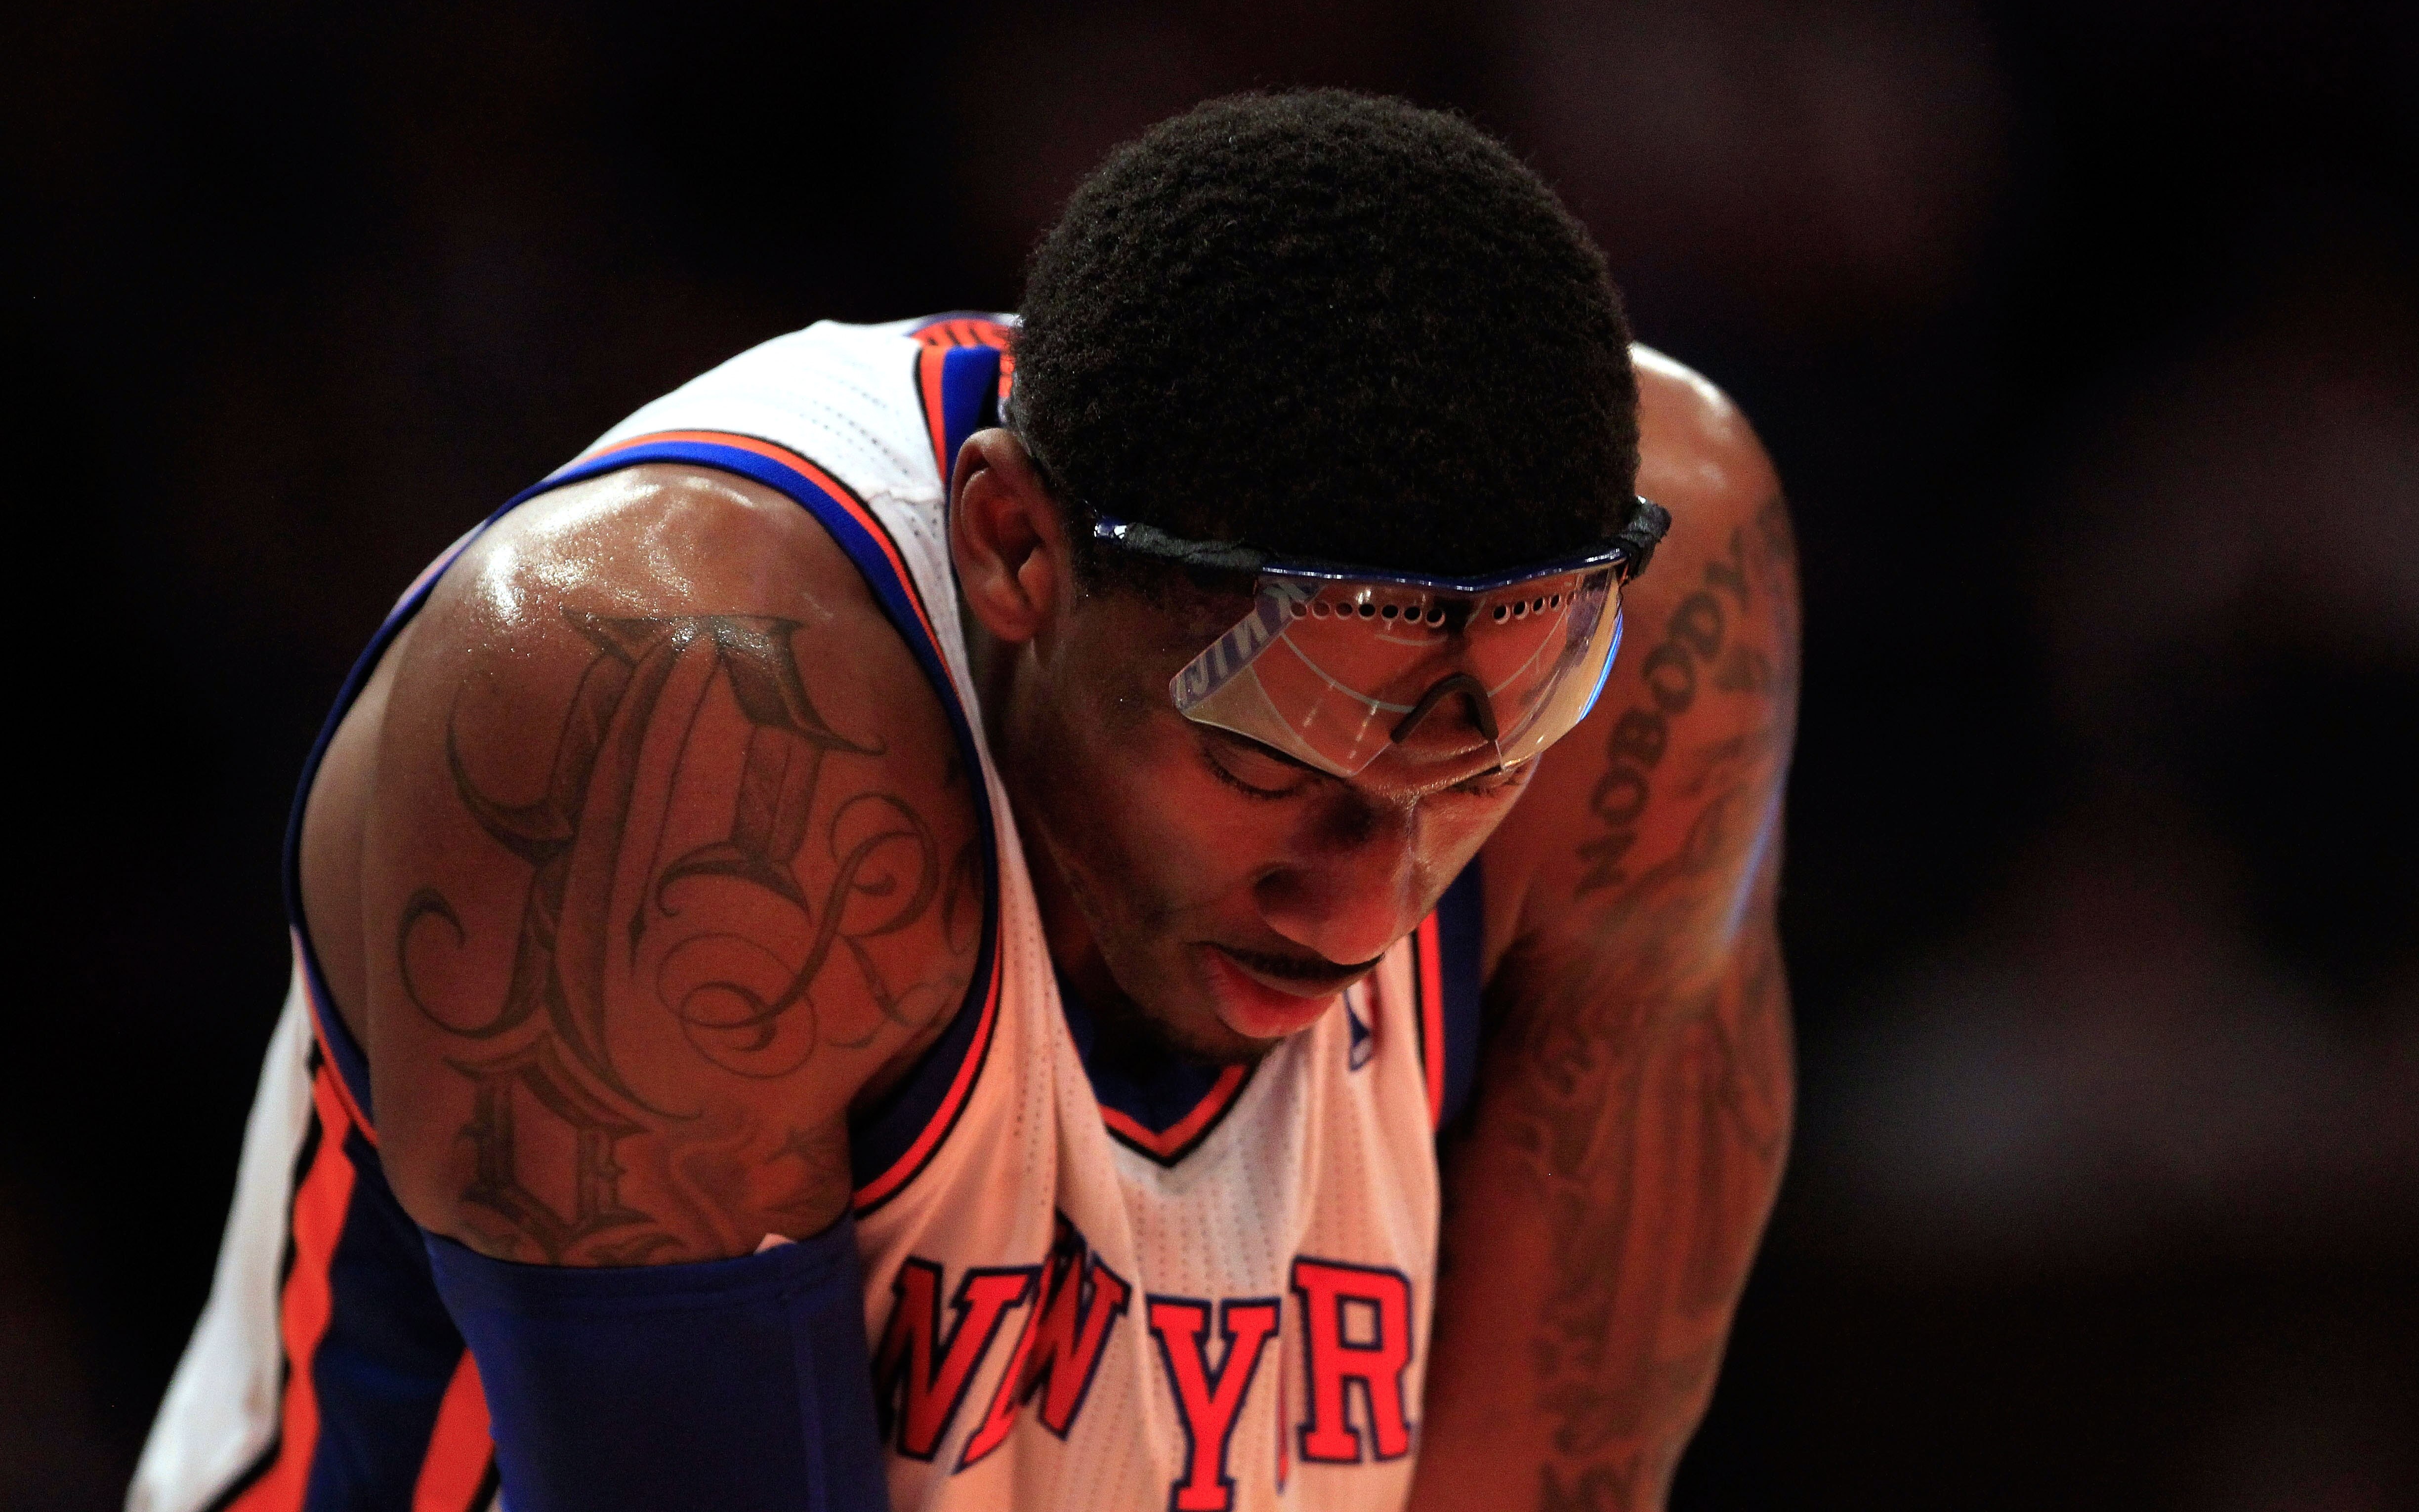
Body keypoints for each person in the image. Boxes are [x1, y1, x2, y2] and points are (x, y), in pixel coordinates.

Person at [130, 91, 1797, 1512]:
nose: (1367, 908)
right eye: (1265, 767)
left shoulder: (1666, 629)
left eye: (1474, 772)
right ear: (1010, 552)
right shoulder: (680, 721)